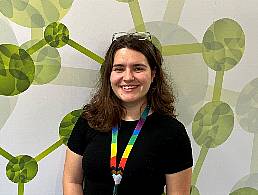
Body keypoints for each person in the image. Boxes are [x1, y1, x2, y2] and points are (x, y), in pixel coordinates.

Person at [63, 32, 193, 195]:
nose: (128, 77)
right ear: (109, 74)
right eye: (119, 68)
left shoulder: (172, 132)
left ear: (153, 74)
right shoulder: (89, 120)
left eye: (138, 68)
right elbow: (71, 180)